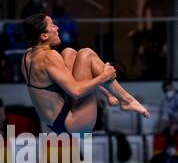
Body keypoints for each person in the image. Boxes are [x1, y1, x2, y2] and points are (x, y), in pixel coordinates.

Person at [21, 14, 150, 139]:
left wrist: (106, 93)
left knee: (69, 53)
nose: (57, 28)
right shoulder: (50, 56)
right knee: (86, 54)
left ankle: (114, 95)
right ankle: (126, 100)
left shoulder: (27, 56)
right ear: (44, 35)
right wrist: (104, 76)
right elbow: (76, 91)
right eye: (52, 25)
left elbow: (68, 82)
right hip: (74, 124)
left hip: (56, 124)